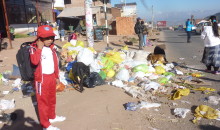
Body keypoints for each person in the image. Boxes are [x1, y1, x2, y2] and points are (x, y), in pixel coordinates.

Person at [30, 25, 66, 130]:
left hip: (51, 77)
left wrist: (56, 76)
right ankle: (45, 124)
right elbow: (34, 61)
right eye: (47, 38)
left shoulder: (52, 48)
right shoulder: (34, 48)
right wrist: (39, 48)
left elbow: (54, 63)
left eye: (51, 37)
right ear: (39, 38)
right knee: (43, 102)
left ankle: (52, 116)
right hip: (41, 79)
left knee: (52, 99)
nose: (50, 40)